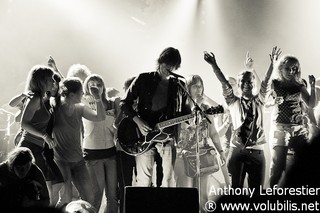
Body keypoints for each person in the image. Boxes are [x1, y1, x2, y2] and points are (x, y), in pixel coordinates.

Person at [204, 47, 281, 192]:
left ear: (253, 84)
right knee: (236, 192)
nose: (247, 84)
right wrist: (214, 64)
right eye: (244, 81)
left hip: (257, 152)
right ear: (239, 84)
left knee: (256, 194)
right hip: (237, 152)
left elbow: (265, 83)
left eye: (250, 81)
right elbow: (224, 83)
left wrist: (273, 65)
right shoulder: (233, 101)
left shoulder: (260, 100)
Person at [119, 47, 191, 187]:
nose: (168, 68)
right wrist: (138, 121)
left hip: (168, 137)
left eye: (172, 66)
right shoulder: (143, 79)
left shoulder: (179, 86)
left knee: (169, 180)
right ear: (160, 61)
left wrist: (192, 119)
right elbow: (124, 103)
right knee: (144, 180)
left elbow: (186, 114)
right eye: (166, 64)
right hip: (143, 136)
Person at [174, 74, 227, 210]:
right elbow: (182, 130)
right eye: (195, 86)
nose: (199, 89)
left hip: (202, 155)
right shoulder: (180, 108)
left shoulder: (205, 108)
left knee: (203, 197)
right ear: (188, 88)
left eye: (200, 86)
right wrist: (193, 110)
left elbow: (213, 132)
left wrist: (221, 151)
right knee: (185, 197)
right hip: (182, 156)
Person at [52, 77, 105, 208]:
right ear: (71, 95)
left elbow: (100, 117)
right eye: (81, 92)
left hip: (78, 161)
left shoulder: (79, 108)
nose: (83, 94)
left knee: (89, 196)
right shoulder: (55, 109)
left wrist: (97, 98)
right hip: (61, 160)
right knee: (66, 198)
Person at [17, 65, 63, 206]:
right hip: (29, 146)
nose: (53, 82)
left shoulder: (41, 98)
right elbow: (24, 123)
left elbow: (61, 90)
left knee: (48, 186)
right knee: (37, 189)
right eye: (50, 79)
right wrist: (45, 136)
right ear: (42, 81)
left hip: (37, 148)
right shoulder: (35, 98)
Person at [268, 52, 316, 187]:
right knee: (279, 167)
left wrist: (312, 86)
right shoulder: (275, 83)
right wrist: (272, 66)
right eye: (288, 68)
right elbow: (264, 100)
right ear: (281, 68)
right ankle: (271, 197)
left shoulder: (299, 85)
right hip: (281, 128)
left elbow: (311, 104)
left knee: (305, 162)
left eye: (294, 68)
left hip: (298, 128)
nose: (291, 71)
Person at [82, 74, 119, 213]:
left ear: (104, 87)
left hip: (110, 152)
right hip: (93, 154)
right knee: (97, 196)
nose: (96, 88)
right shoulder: (84, 102)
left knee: (113, 196)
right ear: (86, 87)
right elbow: (69, 88)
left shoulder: (111, 103)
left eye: (99, 85)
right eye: (92, 85)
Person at [0, 147, 49, 211]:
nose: (23, 171)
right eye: (19, 167)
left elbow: (46, 201)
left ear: (30, 164)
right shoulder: (3, 169)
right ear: (12, 166)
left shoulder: (35, 171)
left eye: (27, 167)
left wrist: (31, 203)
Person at [114, 76, 137, 213]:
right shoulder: (123, 106)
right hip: (123, 149)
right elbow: (116, 124)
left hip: (140, 149)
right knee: (124, 185)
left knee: (141, 183)